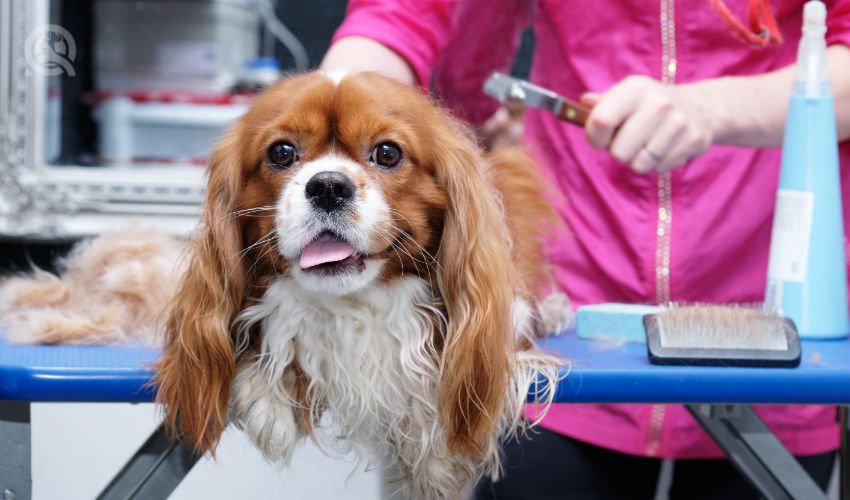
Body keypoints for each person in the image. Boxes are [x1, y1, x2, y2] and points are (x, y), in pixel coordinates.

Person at [321, 0, 850, 498]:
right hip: (562, 333)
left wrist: (710, 108)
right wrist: (334, 111)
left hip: (776, 324)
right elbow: (402, 18)